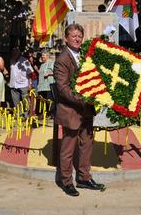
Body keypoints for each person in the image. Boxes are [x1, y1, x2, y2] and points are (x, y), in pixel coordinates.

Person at [54, 23, 104, 197]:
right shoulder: (62, 59)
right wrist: (83, 99)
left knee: (87, 146)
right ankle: (66, 181)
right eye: (73, 36)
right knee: (68, 149)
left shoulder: (85, 55)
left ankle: (83, 178)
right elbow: (63, 88)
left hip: (87, 111)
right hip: (71, 111)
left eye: (79, 36)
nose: (77, 38)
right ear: (66, 38)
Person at [37, 50, 55, 117]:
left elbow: (56, 72)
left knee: (49, 101)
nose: (42, 57)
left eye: (43, 55)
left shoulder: (52, 62)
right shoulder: (42, 65)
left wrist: (49, 73)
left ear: (47, 56)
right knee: (43, 101)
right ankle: (45, 114)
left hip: (48, 85)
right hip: (41, 86)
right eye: (42, 55)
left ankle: (51, 114)